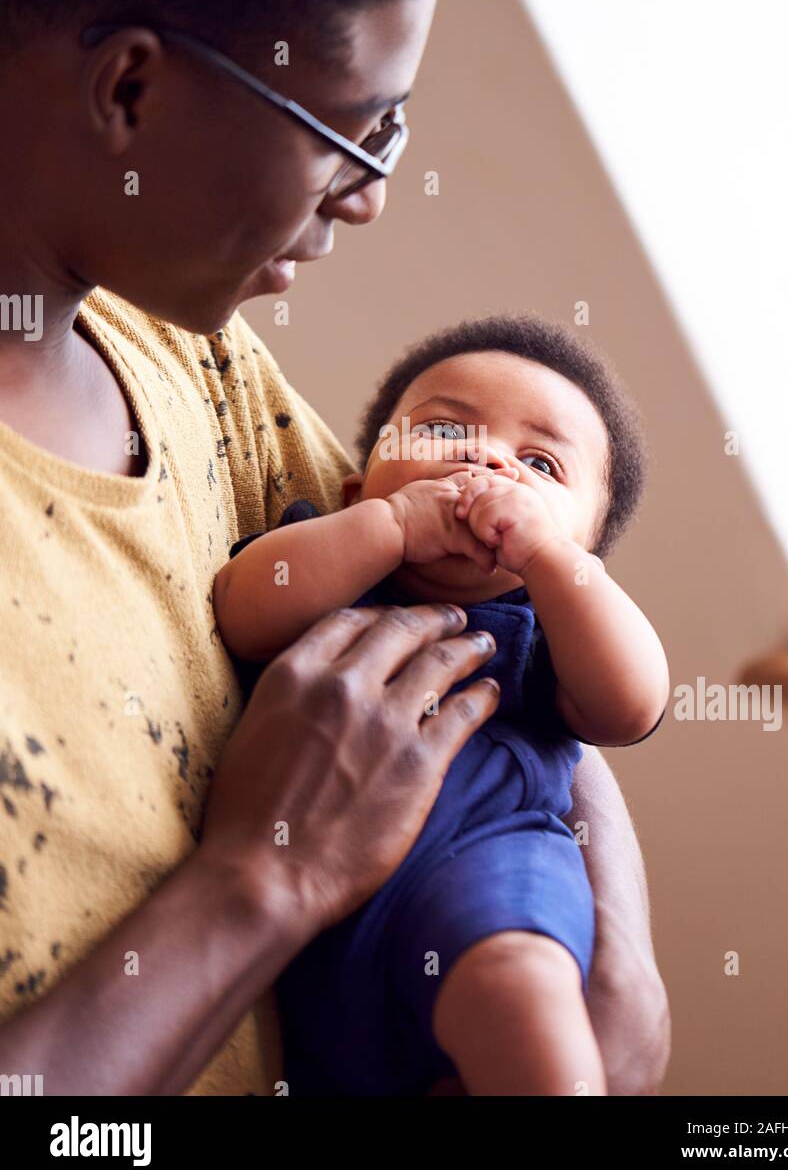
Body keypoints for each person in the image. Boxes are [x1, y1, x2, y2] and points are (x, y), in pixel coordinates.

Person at [0, 0, 670, 1095]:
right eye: (351, 126)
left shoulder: (189, 365)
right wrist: (268, 873)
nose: (367, 194)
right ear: (128, 86)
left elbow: (501, 630)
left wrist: (618, 959)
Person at [215, 313, 670, 1095]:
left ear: (584, 554)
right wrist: (388, 527)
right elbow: (241, 611)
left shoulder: (543, 626)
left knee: (521, 993)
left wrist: (548, 562)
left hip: (486, 867)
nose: (486, 458)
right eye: (442, 429)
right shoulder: (328, 553)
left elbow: (632, 706)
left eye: (540, 463)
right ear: (356, 487)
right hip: (307, 921)